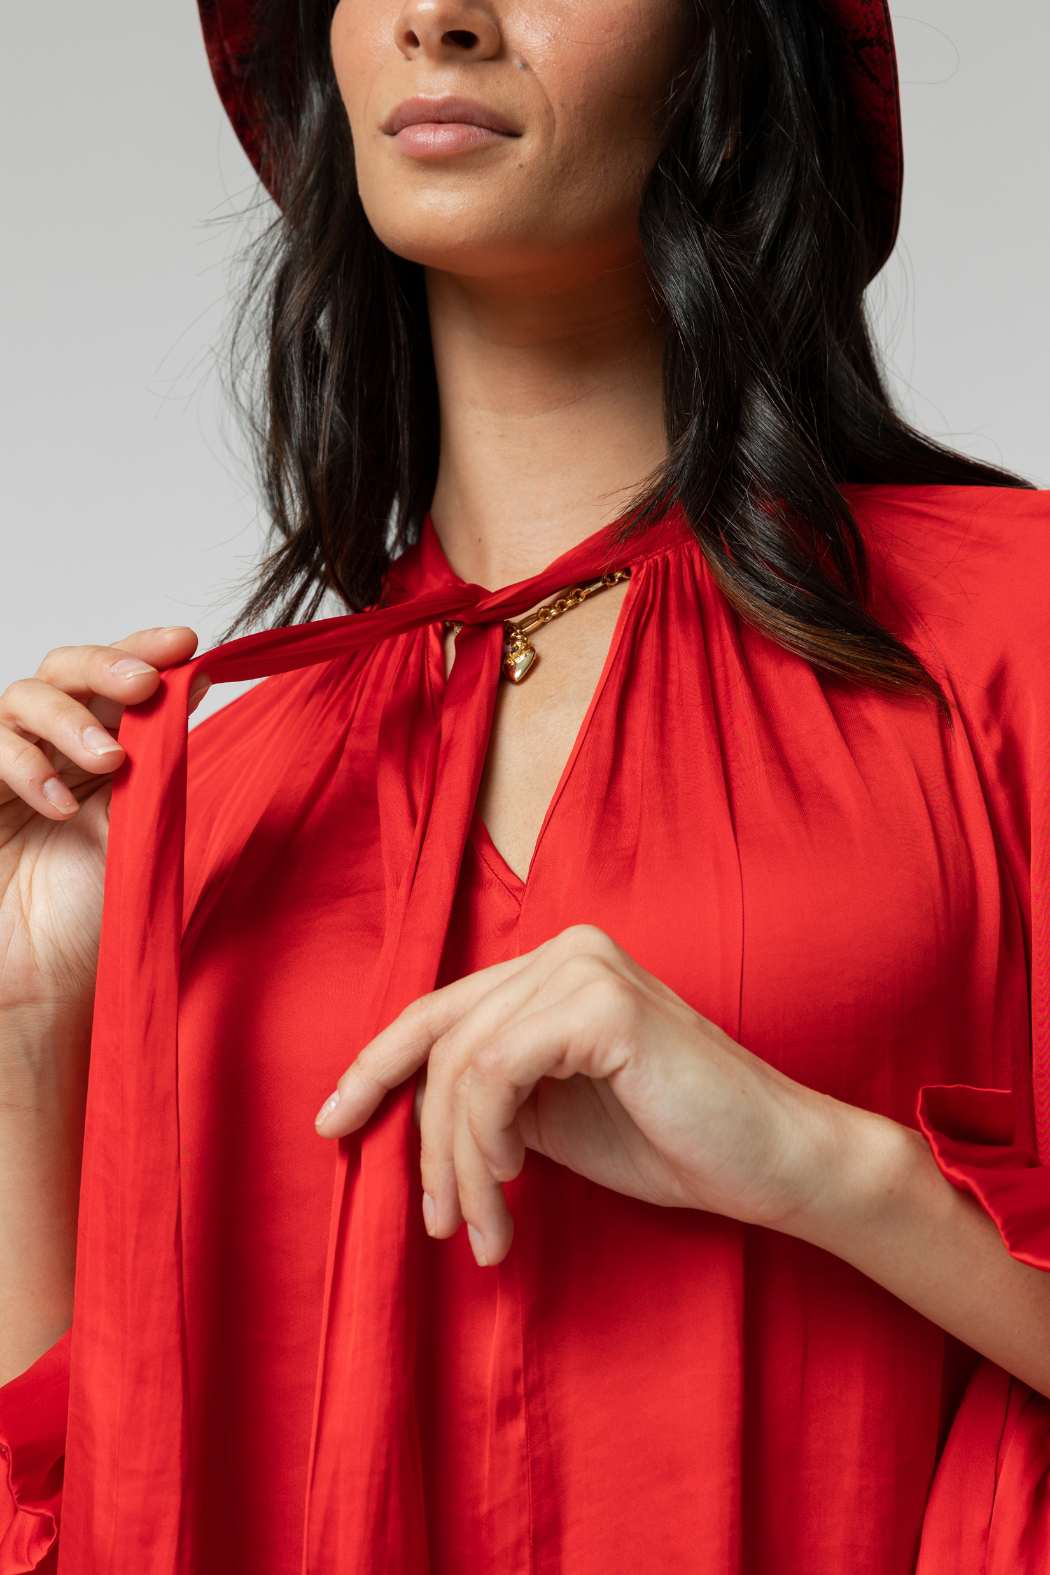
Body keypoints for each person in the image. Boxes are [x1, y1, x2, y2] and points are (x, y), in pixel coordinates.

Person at [1, 0, 1048, 1570]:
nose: (441, 16)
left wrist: (823, 1165)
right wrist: (28, 1023)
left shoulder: (1004, 634)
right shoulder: (216, 797)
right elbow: (99, 1516)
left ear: (726, 50)